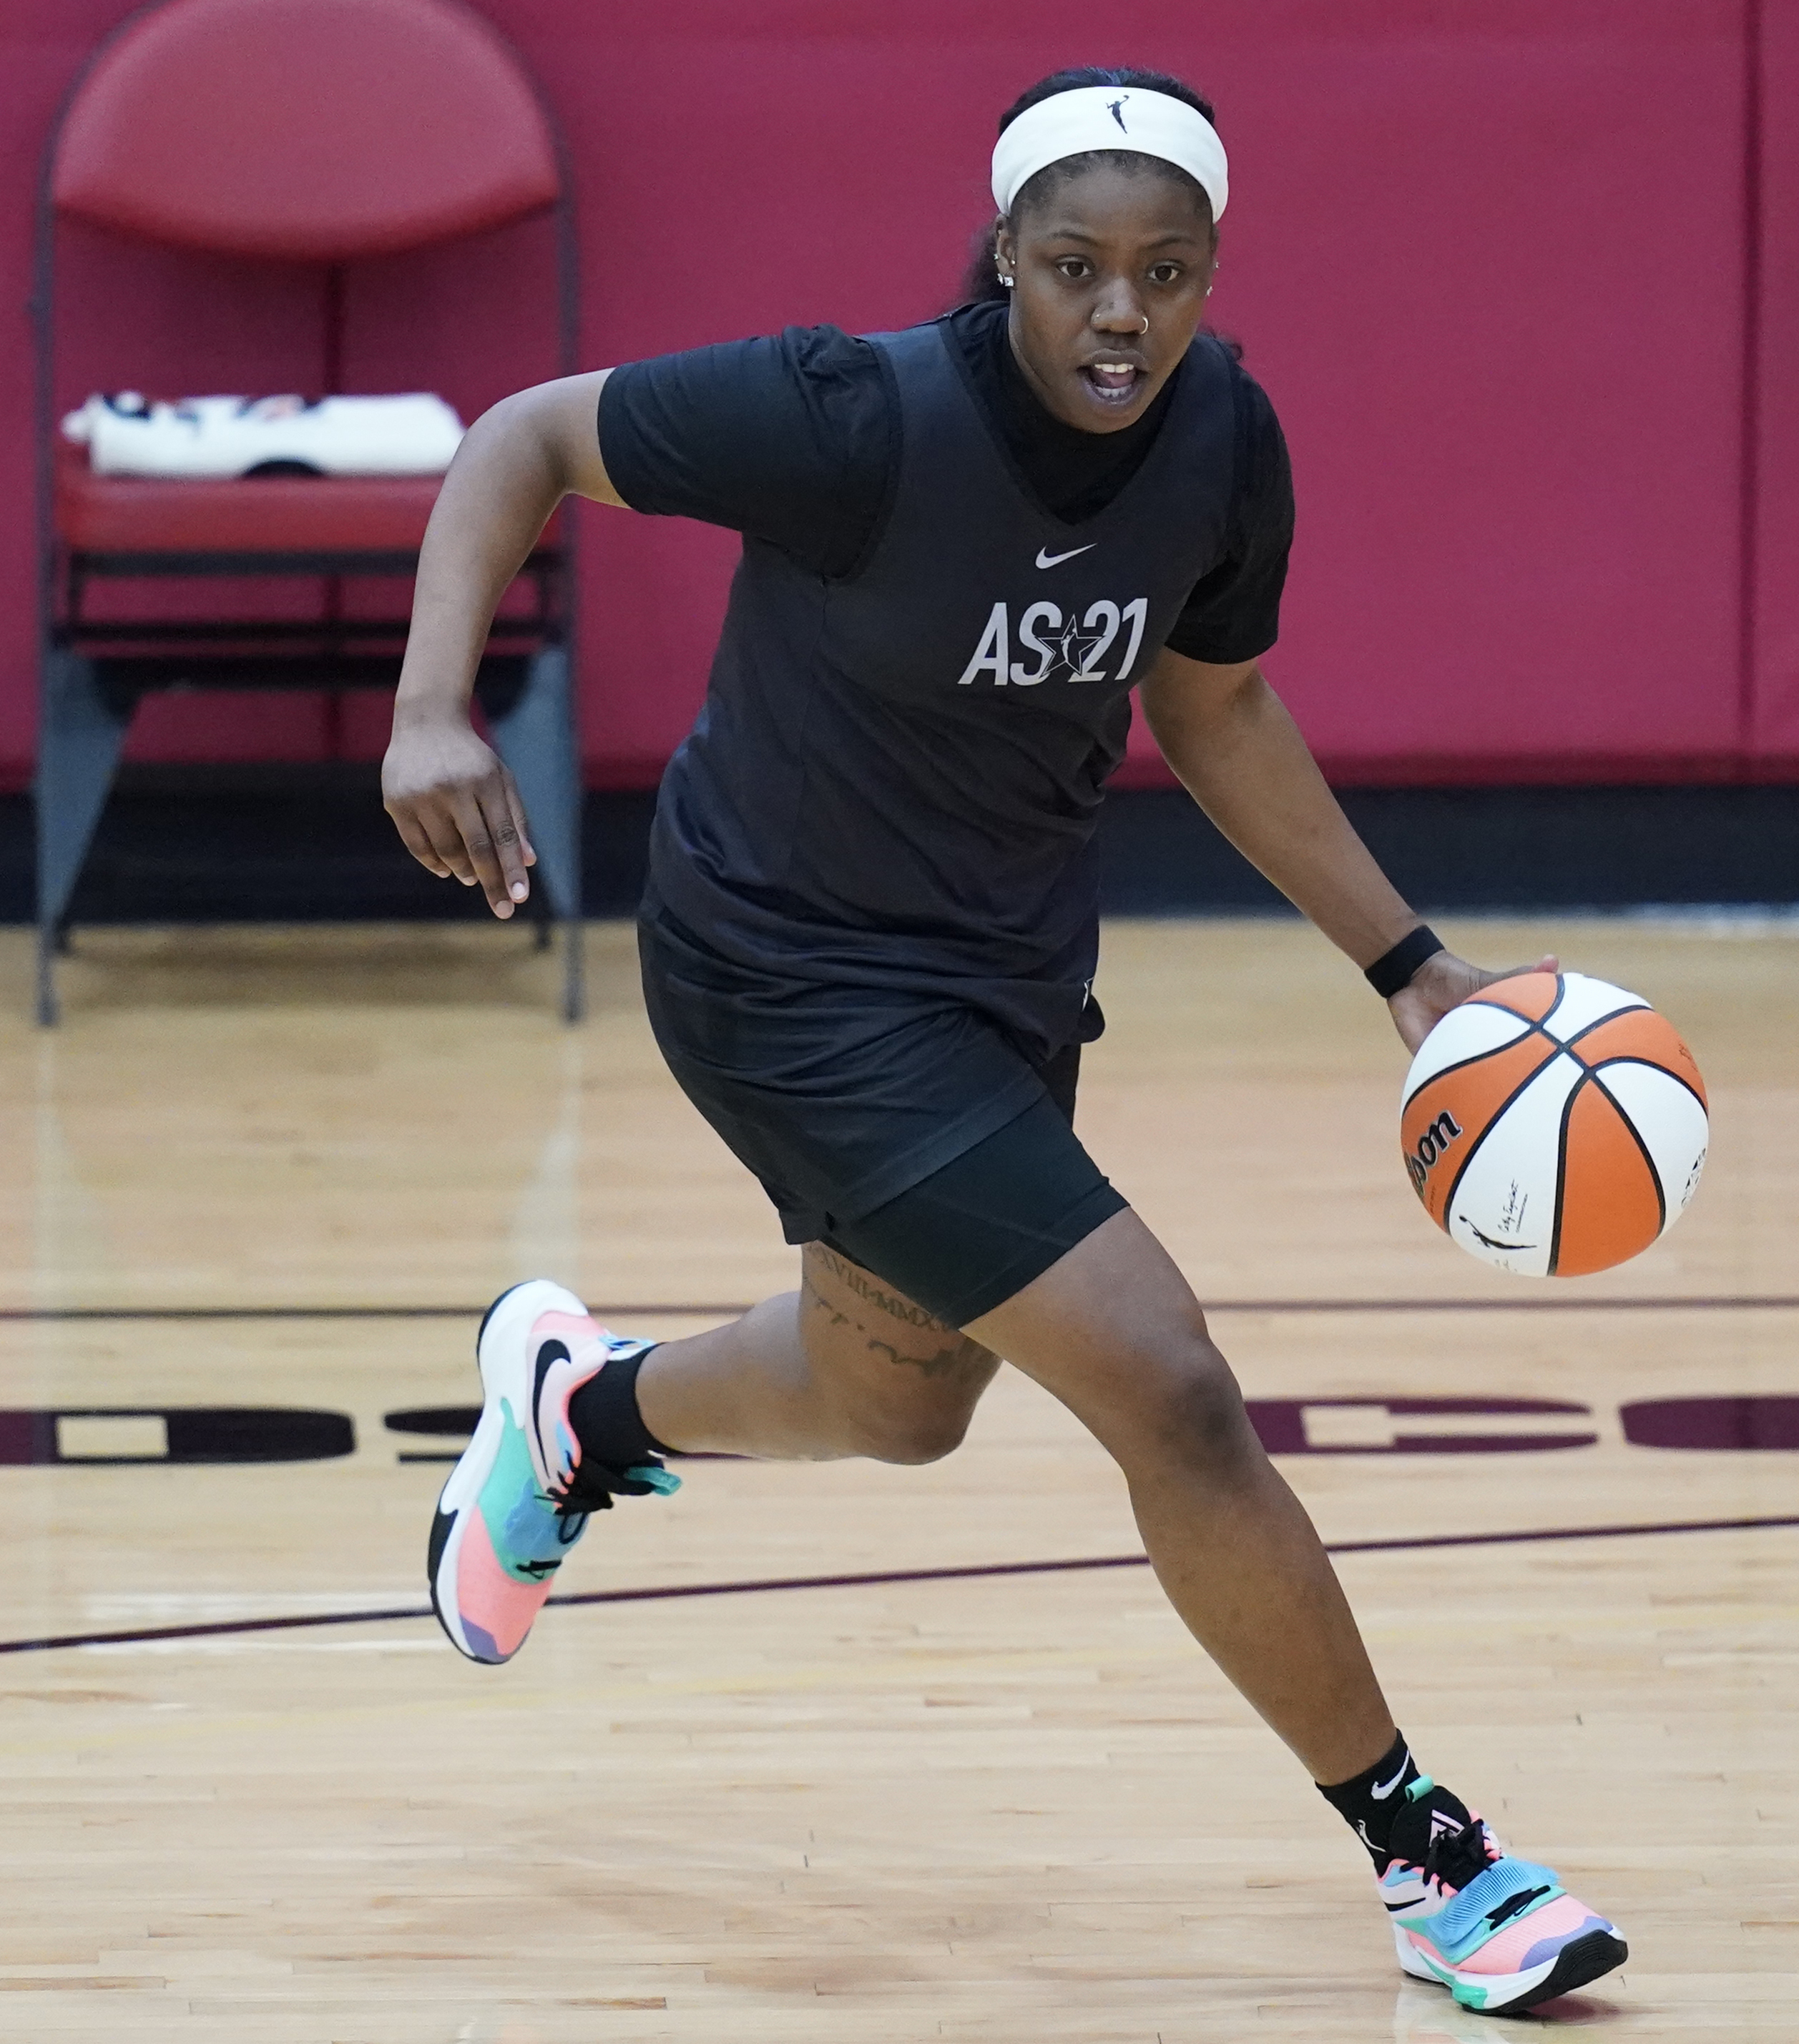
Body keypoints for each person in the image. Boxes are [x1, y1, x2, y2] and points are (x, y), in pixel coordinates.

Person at [380, 66, 1625, 2018]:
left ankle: (576, 1418)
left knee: (898, 1399)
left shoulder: (1222, 442)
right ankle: (1431, 1857)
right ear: (1007, 262)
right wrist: (431, 705)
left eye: (1167, 273)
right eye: (1075, 269)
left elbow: (1213, 710)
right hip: (781, 969)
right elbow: (524, 438)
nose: (1121, 315)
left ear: (1212, 274)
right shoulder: (852, 415)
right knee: (1170, 1382)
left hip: (1002, 978)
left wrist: (1408, 964)